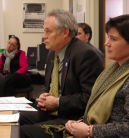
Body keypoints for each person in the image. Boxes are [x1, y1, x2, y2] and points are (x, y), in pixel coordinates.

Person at [64, 14, 129, 138]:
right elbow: (96, 109)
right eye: (108, 37)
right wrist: (79, 124)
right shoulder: (114, 70)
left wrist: (90, 131)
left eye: (113, 39)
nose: (106, 43)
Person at [19, 9, 103, 137]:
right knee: (13, 119)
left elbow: (90, 98)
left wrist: (58, 102)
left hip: (72, 119)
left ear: (65, 32)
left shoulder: (85, 55)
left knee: (22, 132)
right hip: (50, 113)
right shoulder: (53, 53)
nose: (43, 36)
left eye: (48, 31)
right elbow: (47, 86)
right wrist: (42, 96)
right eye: (44, 30)